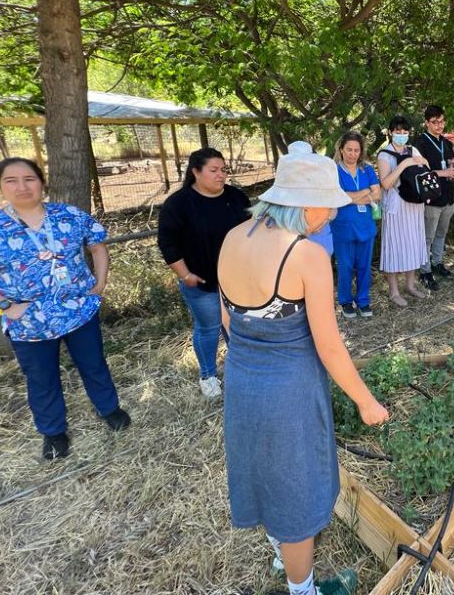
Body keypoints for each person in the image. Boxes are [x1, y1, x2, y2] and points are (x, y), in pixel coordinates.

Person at [217, 147, 389, 595]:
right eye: (327, 206)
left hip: (242, 380)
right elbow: (329, 347)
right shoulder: (306, 256)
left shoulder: (232, 236)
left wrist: (256, 359)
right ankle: (303, 588)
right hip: (290, 392)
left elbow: (227, 320)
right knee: (295, 489)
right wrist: (366, 402)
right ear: (305, 202)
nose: (330, 215)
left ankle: (282, 555)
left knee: (264, 474)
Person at [0, 157, 130, 461]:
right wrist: (5, 306)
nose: (22, 186)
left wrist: (100, 282)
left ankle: (109, 409)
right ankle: (53, 432)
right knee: (41, 379)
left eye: (29, 179)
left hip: (78, 311)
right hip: (29, 323)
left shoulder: (69, 215)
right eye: (11, 181)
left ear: (42, 183)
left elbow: (97, 245)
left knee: (94, 364)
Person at [158, 148, 250, 399]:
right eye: (214, 170)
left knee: (238, 326)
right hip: (201, 282)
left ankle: (241, 369)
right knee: (209, 328)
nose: (221, 175)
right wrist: (185, 275)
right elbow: (168, 243)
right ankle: (208, 375)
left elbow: (252, 232)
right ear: (196, 172)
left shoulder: (236, 197)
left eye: (223, 170)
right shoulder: (179, 204)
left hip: (237, 280)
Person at [377, 116, 431, 307]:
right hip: (395, 207)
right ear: (390, 133)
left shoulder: (412, 150)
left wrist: (424, 162)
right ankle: (394, 291)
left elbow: (425, 170)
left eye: (405, 131)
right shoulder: (384, 155)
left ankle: (410, 285)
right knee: (394, 247)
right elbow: (385, 184)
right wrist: (404, 165)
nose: (401, 135)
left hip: (414, 205)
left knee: (412, 245)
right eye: (398, 131)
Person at [330, 131, 380, 319]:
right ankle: (345, 301)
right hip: (343, 227)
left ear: (361, 151)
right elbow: (338, 198)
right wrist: (365, 192)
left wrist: (350, 197)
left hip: (365, 226)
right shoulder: (334, 171)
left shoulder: (367, 169)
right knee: (345, 266)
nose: (352, 154)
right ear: (341, 149)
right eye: (349, 149)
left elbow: (377, 194)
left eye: (356, 150)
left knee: (364, 266)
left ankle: (363, 300)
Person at [414, 105, 454, 291]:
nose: (439, 125)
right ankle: (425, 271)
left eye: (441, 121)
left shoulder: (446, 143)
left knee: (441, 233)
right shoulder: (420, 144)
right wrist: (442, 172)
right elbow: (419, 172)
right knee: (427, 236)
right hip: (431, 198)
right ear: (426, 123)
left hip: (448, 196)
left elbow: (451, 164)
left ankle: (437, 262)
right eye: (434, 122)